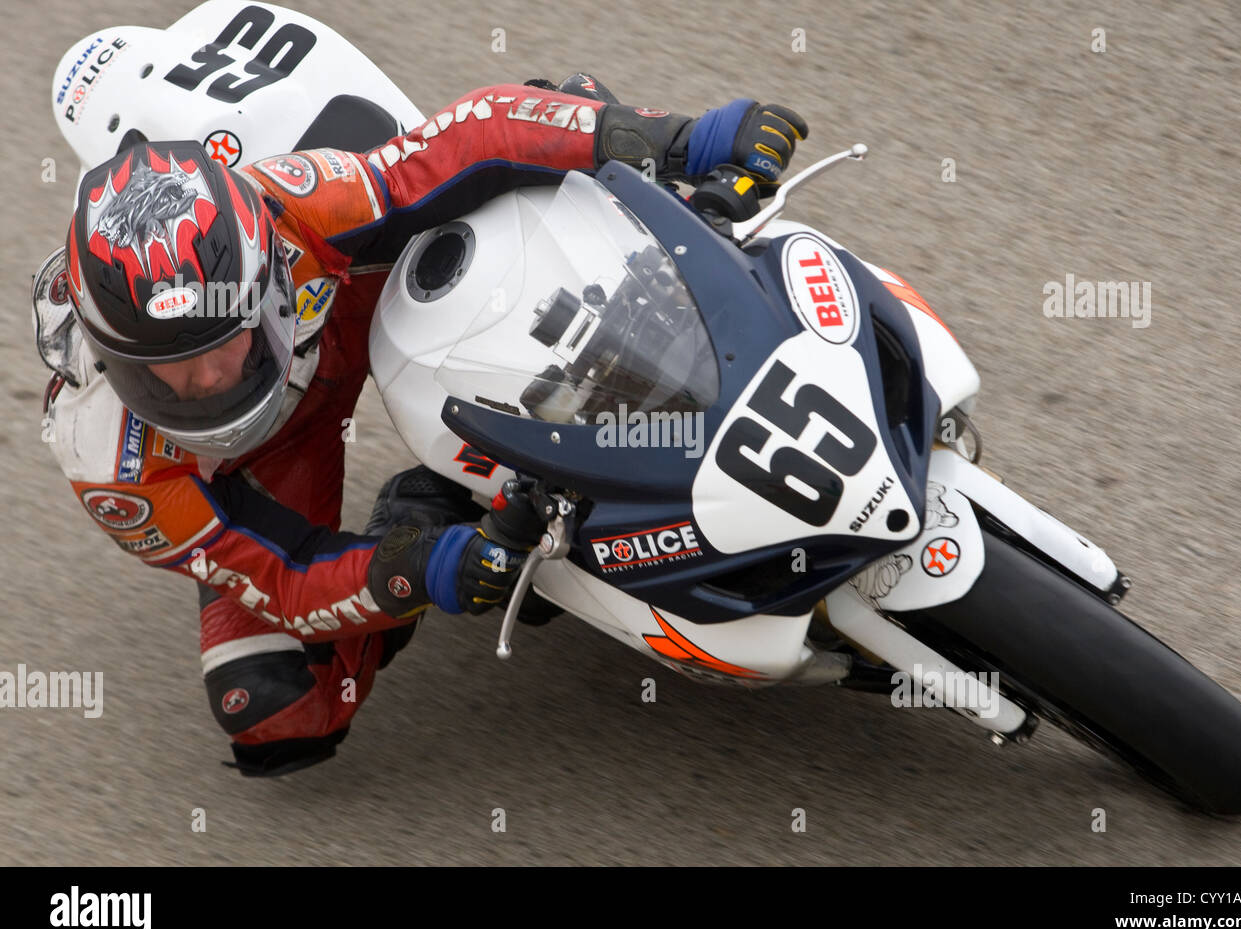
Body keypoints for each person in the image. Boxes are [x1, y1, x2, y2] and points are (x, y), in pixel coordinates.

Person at [35, 73, 807, 776]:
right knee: (275, 713)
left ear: (263, 280)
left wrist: (676, 136)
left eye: (219, 345)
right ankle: (428, 504)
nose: (204, 386)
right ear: (109, 354)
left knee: (524, 156)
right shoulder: (111, 466)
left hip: (350, 307)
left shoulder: (292, 209)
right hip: (272, 457)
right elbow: (283, 576)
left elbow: (473, 136)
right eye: (164, 372)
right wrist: (423, 566)